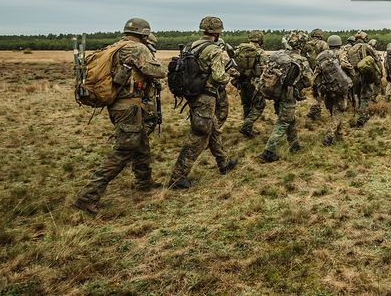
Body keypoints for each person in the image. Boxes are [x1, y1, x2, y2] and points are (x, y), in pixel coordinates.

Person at [73, 18, 166, 214]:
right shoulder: (137, 49)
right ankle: (87, 196)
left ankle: (144, 182)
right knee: (124, 150)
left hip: (120, 105)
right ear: (145, 34)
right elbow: (157, 71)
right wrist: (161, 65)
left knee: (141, 143)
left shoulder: (115, 46)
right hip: (129, 106)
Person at [168, 16, 238, 189]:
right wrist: (230, 76)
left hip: (193, 93)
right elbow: (218, 76)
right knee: (199, 134)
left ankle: (224, 163)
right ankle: (178, 176)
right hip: (206, 96)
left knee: (212, 128)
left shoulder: (191, 45)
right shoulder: (214, 49)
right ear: (217, 32)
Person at [259, 31, 313, 163]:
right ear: (302, 45)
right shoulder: (300, 60)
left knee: (289, 119)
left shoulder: (278, 55)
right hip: (288, 94)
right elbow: (309, 80)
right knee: (283, 121)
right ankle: (268, 152)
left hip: (275, 92)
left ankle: (294, 145)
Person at [315, 35, 353, 146]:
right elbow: (345, 65)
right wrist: (351, 75)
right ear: (339, 43)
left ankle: (339, 134)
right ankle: (329, 136)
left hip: (327, 88)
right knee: (338, 111)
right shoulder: (341, 53)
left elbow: (317, 73)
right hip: (341, 87)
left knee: (333, 110)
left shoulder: (321, 56)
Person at [234, 30, 270, 138]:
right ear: (260, 40)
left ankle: (247, 129)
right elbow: (265, 68)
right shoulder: (260, 52)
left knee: (246, 105)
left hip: (241, 81)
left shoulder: (240, 50)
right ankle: (247, 125)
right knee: (260, 105)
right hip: (254, 83)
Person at [346, 31, 381, 127]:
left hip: (355, 76)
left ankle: (357, 114)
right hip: (366, 75)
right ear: (364, 38)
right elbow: (376, 59)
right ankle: (362, 118)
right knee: (365, 96)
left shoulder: (351, 49)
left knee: (356, 96)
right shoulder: (367, 47)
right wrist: (378, 74)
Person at [305, 29, 329, 119]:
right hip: (320, 71)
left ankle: (315, 110)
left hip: (310, 71)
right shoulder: (323, 44)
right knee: (320, 91)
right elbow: (327, 56)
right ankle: (315, 110)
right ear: (320, 35)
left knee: (315, 91)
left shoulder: (307, 44)